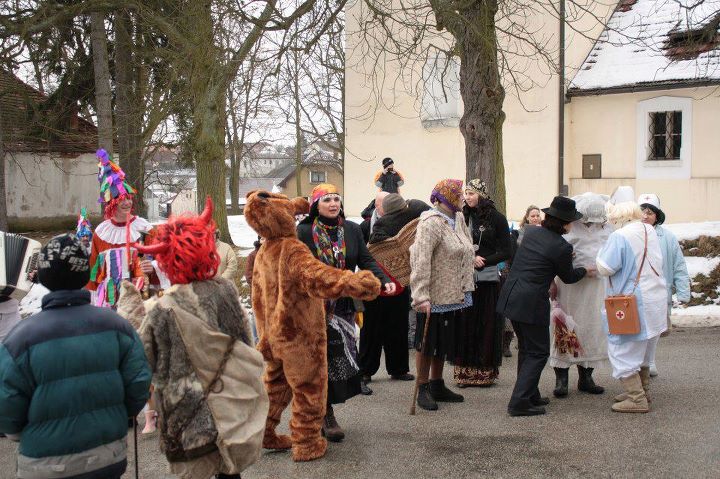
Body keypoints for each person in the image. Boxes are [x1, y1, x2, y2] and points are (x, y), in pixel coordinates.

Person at [124, 198, 266, 478]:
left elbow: (142, 360)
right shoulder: (225, 291)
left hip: (185, 416)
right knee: (229, 470)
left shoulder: (160, 308)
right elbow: (244, 345)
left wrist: (130, 310)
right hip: (229, 404)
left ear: (166, 260)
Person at [0, 233, 151, 479]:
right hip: (107, 456)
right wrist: (117, 416)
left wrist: (17, 433)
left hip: (43, 463)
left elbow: (6, 404)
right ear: (84, 274)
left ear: (44, 276)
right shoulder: (118, 326)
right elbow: (138, 384)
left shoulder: (19, 339)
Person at [297, 183, 395, 441]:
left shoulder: (351, 230)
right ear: (315, 205)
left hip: (342, 307)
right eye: (327, 199)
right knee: (318, 361)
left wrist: (382, 278)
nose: (333, 204)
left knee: (339, 358)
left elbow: (365, 259)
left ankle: (322, 411)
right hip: (313, 306)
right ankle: (324, 414)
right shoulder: (304, 232)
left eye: (336, 199)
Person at [497, 196, 590, 417]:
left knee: (527, 350)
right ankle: (519, 402)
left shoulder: (532, 233)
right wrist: (585, 269)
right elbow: (568, 277)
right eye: (571, 222)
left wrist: (565, 255)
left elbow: (540, 257)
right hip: (530, 303)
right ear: (565, 223)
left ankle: (530, 394)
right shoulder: (561, 247)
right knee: (538, 352)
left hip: (511, 296)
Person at [597, 186, 667, 413]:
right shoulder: (650, 231)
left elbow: (605, 267)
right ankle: (641, 390)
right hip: (654, 299)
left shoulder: (621, 235)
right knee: (644, 349)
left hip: (631, 302)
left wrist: (599, 253)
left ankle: (637, 399)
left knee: (623, 350)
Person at [410, 179, 475, 411]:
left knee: (443, 341)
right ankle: (423, 387)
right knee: (427, 343)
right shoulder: (430, 223)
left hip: (453, 292)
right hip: (434, 294)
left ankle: (437, 383)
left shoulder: (457, 218)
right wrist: (421, 296)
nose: (462, 198)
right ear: (447, 197)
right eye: (458, 195)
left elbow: (466, 244)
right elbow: (420, 259)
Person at [359, 193, 424, 394]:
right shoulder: (367, 226)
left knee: (398, 327)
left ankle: (398, 369)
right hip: (375, 285)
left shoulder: (410, 216)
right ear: (377, 207)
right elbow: (365, 255)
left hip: (400, 282)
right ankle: (365, 371)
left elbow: (421, 207)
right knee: (371, 330)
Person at [549, 193, 612, 397]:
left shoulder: (608, 228)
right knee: (566, 327)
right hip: (570, 286)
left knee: (592, 329)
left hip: (596, 288)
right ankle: (562, 378)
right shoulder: (567, 227)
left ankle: (586, 376)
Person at [452, 179, 510, 387]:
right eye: (466, 193)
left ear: (482, 195)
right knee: (465, 323)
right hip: (465, 278)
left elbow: (506, 250)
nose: (467, 197)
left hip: (487, 279)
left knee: (486, 324)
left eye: (472, 193)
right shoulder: (460, 217)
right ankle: (464, 372)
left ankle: (484, 372)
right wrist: (469, 258)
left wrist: (484, 261)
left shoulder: (497, 218)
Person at [87, 149, 154, 307]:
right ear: (110, 204)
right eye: (121, 200)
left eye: (129, 199)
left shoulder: (144, 228)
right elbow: (94, 269)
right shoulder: (101, 233)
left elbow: (160, 260)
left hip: (141, 299)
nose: (127, 203)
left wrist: (152, 267)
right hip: (110, 300)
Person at [638, 193, 690, 377]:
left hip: (659, 291)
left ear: (657, 215)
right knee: (636, 328)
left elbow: (678, 265)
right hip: (636, 291)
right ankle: (638, 362)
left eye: (650, 212)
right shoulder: (629, 233)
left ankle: (650, 361)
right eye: (642, 211)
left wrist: (683, 292)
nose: (645, 215)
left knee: (655, 329)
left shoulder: (667, 237)